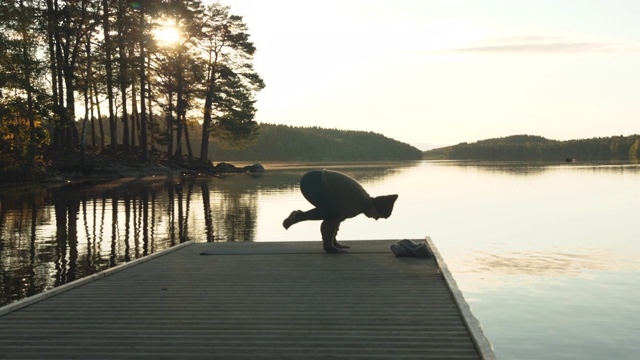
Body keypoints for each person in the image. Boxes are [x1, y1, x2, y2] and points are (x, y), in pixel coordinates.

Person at [282, 169, 398, 253]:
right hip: (313, 182)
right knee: (331, 213)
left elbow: (339, 219)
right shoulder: (356, 203)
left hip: (316, 179)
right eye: (378, 216)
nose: (376, 219)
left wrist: (334, 242)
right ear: (375, 208)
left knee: (332, 212)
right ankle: (298, 217)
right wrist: (329, 247)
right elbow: (330, 221)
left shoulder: (362, 203)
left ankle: (299, 217)